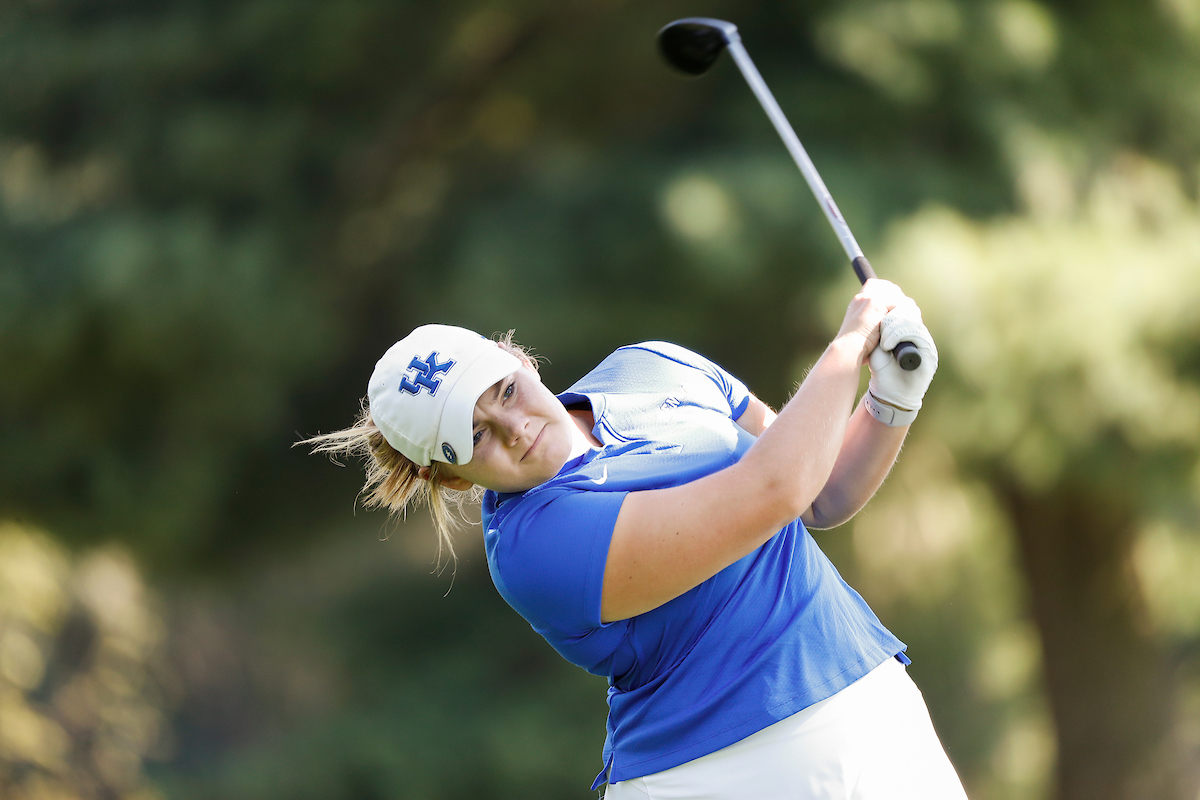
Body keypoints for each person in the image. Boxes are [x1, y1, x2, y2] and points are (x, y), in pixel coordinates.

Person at [303, 279, 968, 799]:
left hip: (868, 703)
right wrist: (848, 345)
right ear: (443, 475)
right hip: (722, 774)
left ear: (514, 356)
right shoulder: (535, 549)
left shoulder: (652, 368)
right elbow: (773, 492)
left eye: (503, 389)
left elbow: (818, 492)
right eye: (474, 435)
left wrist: (890, 399)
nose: (511, 426)